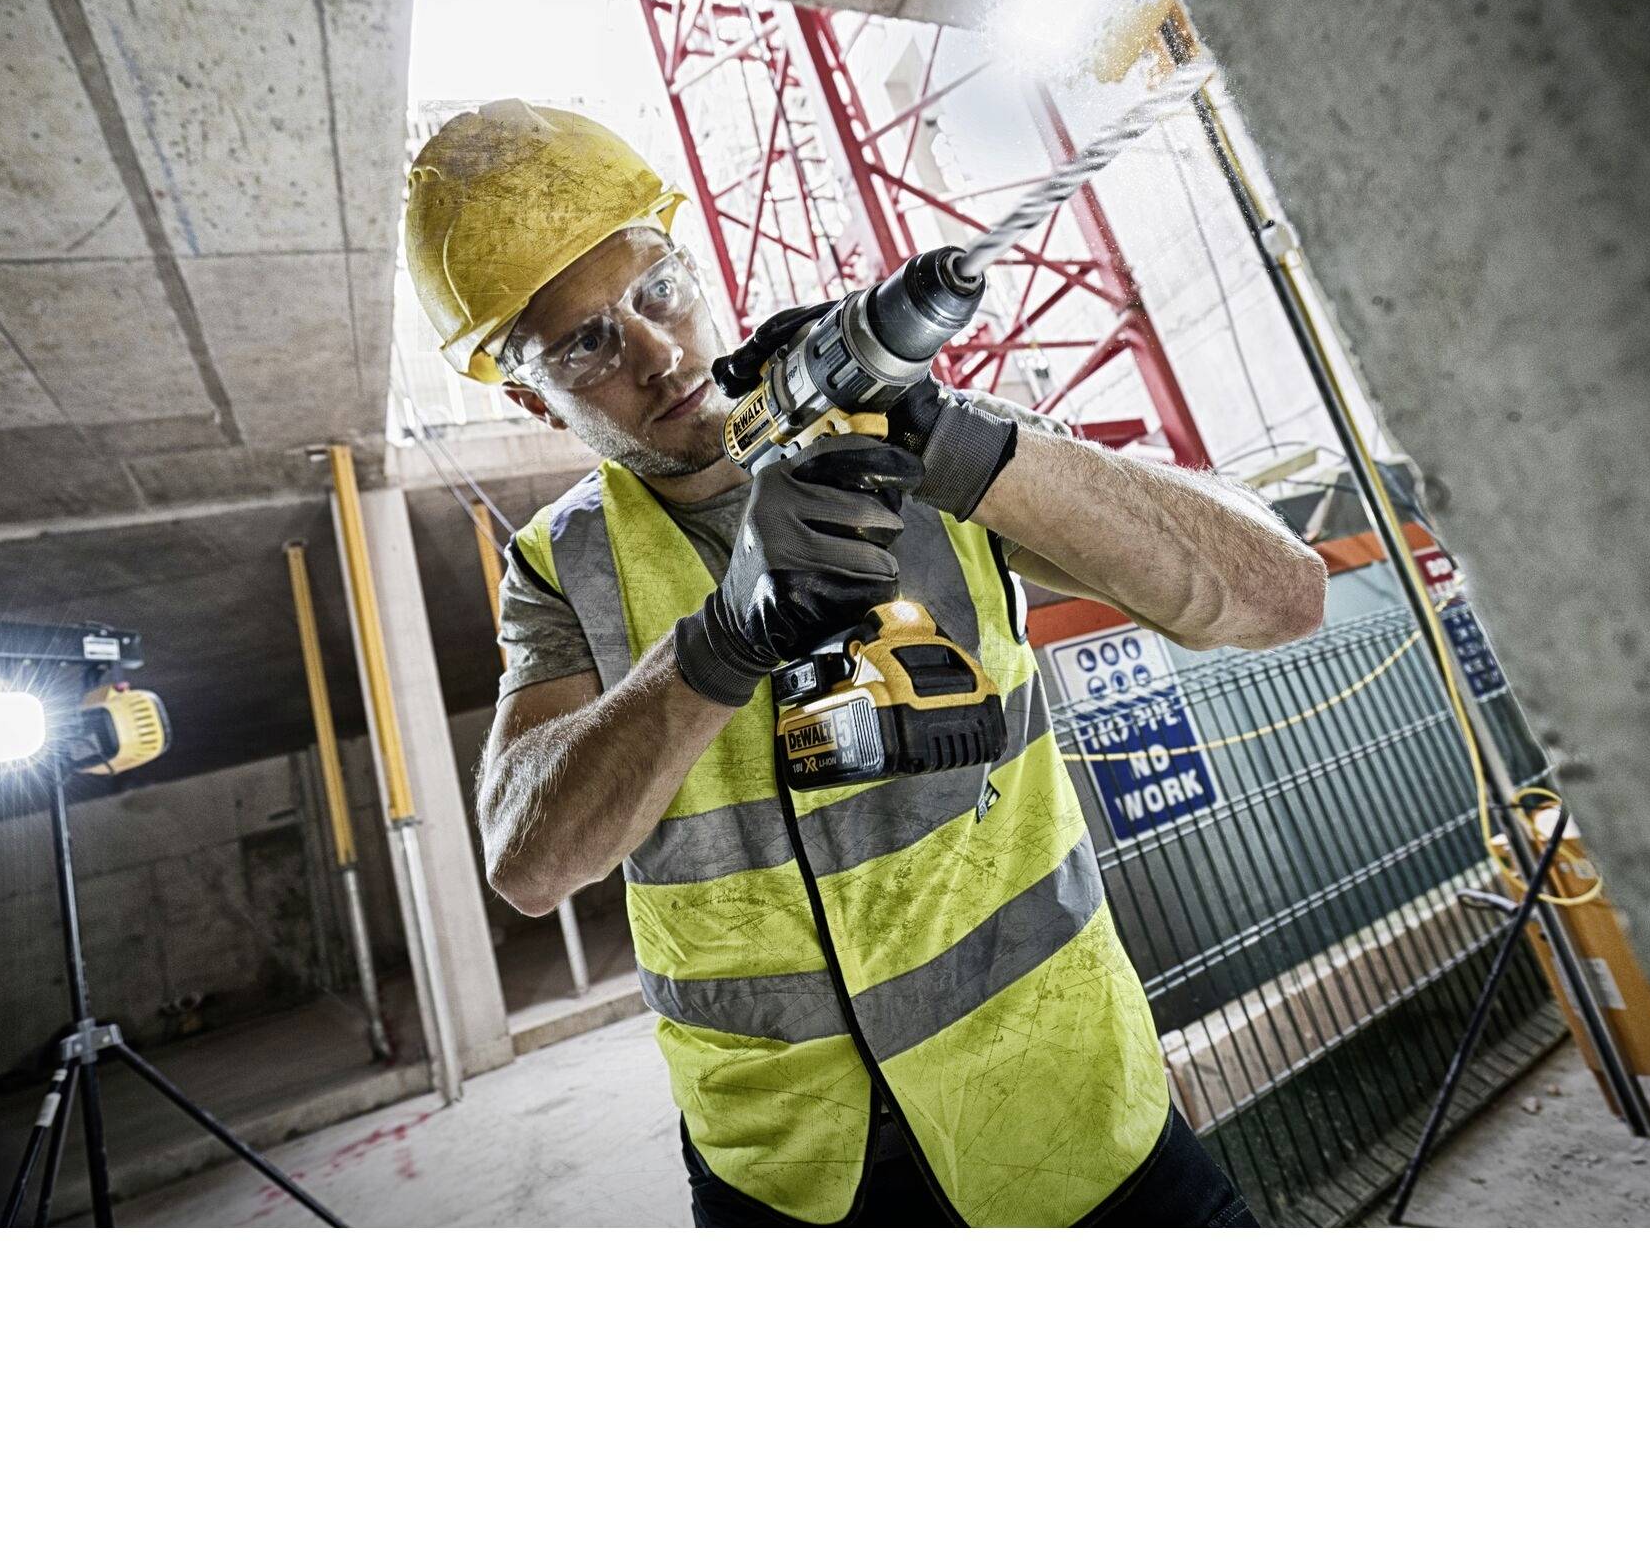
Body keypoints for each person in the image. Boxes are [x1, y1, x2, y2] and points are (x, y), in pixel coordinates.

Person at [405, 100, 1327, 1227]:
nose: (655, 352)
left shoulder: (928, 438)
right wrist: (719, 645)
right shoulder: (560, 566)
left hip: (1065, 1109)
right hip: (785, 1176)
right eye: (585, 344)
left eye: (658, 290)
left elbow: (1281, 596)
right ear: (527, 399)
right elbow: (530, 861)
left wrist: (950, 440)